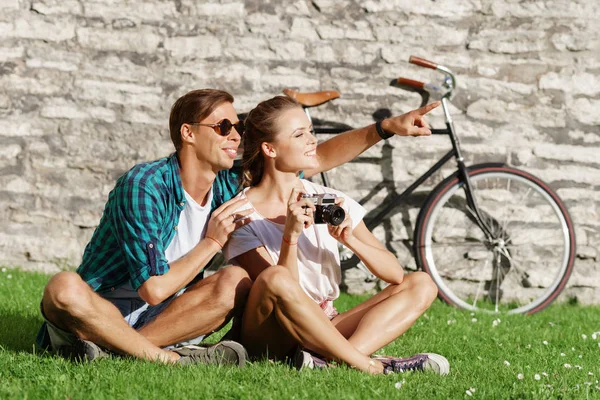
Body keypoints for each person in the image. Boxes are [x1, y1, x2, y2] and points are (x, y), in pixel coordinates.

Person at [37, 88, 439, 366]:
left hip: (161, 321)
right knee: (62, 287)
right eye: (224, 128)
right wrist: (213, 241)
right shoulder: (146, 186)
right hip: (101, 309)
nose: (236, 136)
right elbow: (154, 288)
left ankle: (119, 350)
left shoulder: (227, 182)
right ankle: (158, 358)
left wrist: (386, 128)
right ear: (188, 134)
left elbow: (313, 159)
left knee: (232, 280)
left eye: (239, 128)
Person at [224, 96, 449, 375]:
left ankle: (329, 363)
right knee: (275, 278)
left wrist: (349, 240)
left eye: (310, 131)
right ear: (269, 148)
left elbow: (394, 274)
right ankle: (366, 364)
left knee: (421, 283)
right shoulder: (241, 214)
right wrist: (290, 237)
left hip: (325, 319)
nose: (311, 140)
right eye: (299, 134)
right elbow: (280, 288)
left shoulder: (327, 201)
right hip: (275, 330)